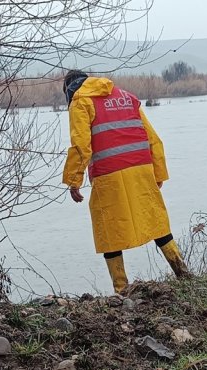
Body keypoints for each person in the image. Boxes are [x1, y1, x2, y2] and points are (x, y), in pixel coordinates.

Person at [62, 70, 189, 295]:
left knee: (109, 230)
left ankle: (121, 289)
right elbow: (154, 139)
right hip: (141, 170)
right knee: (156, 220)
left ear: (69, 89)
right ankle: (183, 272)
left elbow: (81, 146)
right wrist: (158, 173)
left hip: (108, 175)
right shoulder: (126, 97)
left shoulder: (80, 102)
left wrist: (74, 181)